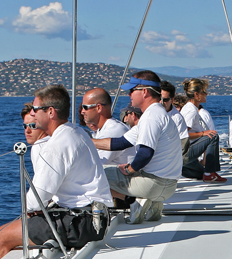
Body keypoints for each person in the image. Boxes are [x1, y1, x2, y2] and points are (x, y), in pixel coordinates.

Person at [0, 85, 113, 259]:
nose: (32, 114)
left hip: (81, 224)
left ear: (50, 112)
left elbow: (36, 200)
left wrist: (30, 211)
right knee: (21, 227)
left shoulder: (57, 145)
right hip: (97, 219)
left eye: (35, 109)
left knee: (1, 236)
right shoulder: (77, 132)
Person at [92, 71, 182, 224]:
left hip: (153, 185)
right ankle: (153, 204)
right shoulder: (158, 114)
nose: (129, 95)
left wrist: (129, 169)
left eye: (132, 91)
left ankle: (99, 222)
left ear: (144, 91)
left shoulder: (151, 117)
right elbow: (120, 143)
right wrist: (89, 141)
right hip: (169, 185)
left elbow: (145, 153)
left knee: (94, 173)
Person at [180, 79, 225, 182]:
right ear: (197, 94)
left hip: (181, 153)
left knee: (200, 173)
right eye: (204, 91)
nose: (206, 94)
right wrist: (203, 134)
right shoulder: (191, 111)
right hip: (184, 153)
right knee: (212, 136)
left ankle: (204, 172)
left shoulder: (190, 108)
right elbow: (182, 135)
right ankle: (210, 173)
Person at [81, 87, 134, 166]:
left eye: (85, 107)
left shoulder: (114, 130)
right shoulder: (103, 129)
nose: (82, 111)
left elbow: (94, 165)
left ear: (99, 108)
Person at [160, 81, 189, 154]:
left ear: (172, 100)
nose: (161, 102)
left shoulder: (177, 118)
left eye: (165, 100)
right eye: (159, 99)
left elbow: (183, 143)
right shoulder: (148, 113)